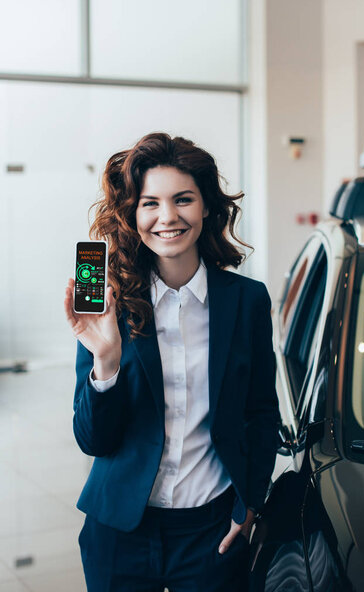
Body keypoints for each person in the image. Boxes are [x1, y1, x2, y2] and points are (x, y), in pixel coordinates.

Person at [64, 132, 279, 592]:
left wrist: (250, 504)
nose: (168, 217)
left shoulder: (246, 301)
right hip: (119, 532)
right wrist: (105, 358)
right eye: (150, 203)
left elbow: (261, 412)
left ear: (206, 208)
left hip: (211, 532)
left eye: (183, 199)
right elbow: (93, 440)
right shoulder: (109, 305)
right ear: (132, 214)